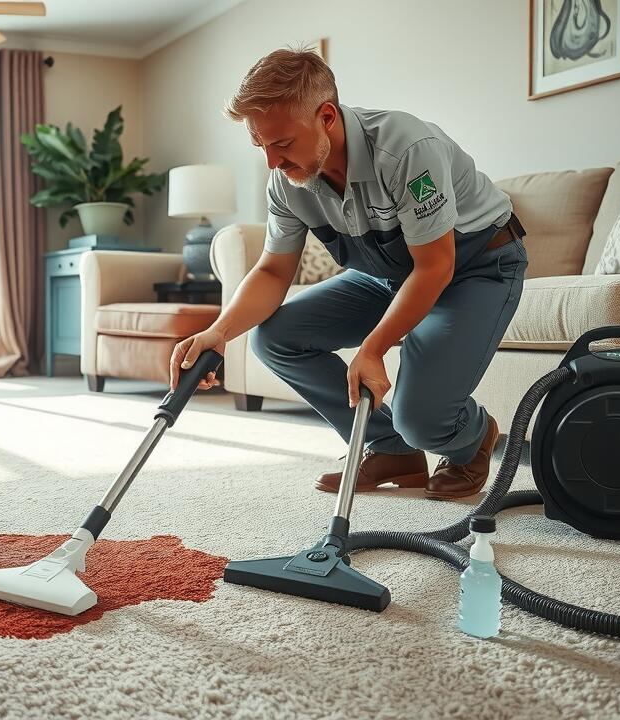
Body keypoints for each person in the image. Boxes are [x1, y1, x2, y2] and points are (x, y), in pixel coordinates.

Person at [169, 48, 527, 500]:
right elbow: (273, 270)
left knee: (420, 418)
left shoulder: (406, 150)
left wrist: (373, 348)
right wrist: (220, 332)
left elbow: (436, 265)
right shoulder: (286, 181)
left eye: (281, 143)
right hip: (390, 273)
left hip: (476, 268)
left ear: (326, 116)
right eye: (260, 146)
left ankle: (473, 437)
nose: (272, 163)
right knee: (273, 337)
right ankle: (391, 449)